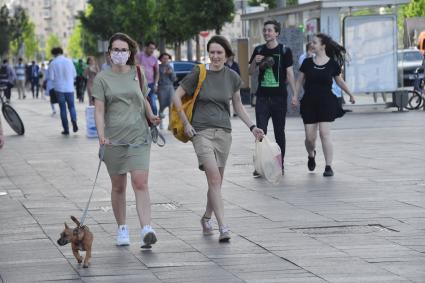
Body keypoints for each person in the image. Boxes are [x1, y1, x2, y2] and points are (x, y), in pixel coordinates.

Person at [172, 35, 264, 242]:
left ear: (227, 55)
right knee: (214, 179)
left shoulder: (232, 77)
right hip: (200, 132)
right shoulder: (199, 72)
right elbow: (176, 95)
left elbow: (238, 106)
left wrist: (252, 127)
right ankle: (223, 227)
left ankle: (206, 218)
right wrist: (186, 123)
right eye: (212, 52)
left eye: (219, 53)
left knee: (217, 183)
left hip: (224, 133)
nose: (215, 56)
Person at [92, 32, 161, 248]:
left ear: (130, 52)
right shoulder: (102, 78)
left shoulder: (137, 72)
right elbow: (99, 110)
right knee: (118, 187)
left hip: (139, 137)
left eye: (123, 50)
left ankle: (146, 228)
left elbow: (144, 98)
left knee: (140, 182)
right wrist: (101, 136)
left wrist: (150, 115)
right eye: (116, 50)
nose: (120, 53)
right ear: (109, 53)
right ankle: (122, 227)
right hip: (114, 140)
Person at [292, 33, 355, 177]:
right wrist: (295, 95)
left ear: (323, 46)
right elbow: (299, 80)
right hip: (309, 102)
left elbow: (339, 81)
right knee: (310, 138)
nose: (311, 45)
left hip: (326, 101)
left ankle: (328, 166)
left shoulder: (332, 64)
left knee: (324, 134)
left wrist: (350, 94)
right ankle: (311, 154)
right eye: (311, 43)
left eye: (314, 42)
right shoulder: (307, 63)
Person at [248, 19, 296, 177]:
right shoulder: (259, 49)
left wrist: (295, 94)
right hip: (262, 98)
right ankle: (260, 165)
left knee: (279, 132)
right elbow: (249, 71)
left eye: (270, 30)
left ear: (277, 33)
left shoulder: (284, 51)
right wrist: (255, 62)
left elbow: (289, 73)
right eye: (265, 30)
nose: (266, 33)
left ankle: (279, 164)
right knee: (260, 132)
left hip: (279, 98)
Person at [48, 47, 78, 135]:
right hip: (70, 88)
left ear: (54, 54)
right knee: (72, 106)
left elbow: (51, 77)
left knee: (62, 108)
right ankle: (74, 120)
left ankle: (66, 129)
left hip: (59, 89)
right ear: (61, 52)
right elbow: (74, 74)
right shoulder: (69, 61)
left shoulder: (53, 63)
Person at [137, 41, 159, 115]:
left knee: (153, 105)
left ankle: (154, 124)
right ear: (146, 48)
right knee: (141, 105)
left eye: (153, 48)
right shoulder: (139, 56)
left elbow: (157, 72)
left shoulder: (154, 58)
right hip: (139, 84)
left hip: (150, 84)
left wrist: (156, 84)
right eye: (150, 48)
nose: (152, 50)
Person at [157, 52, 176, 129]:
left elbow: (174, 79)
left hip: (170, 88)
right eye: (164, 58)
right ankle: (160, 123)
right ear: (160, 59)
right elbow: (156, 78)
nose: (166, 60)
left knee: (171, 106)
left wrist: (171, 73)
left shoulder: (170, 67)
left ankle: (170, 124)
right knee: (162, 106)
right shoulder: (158, 67)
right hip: (161, 88)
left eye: (167, 58)